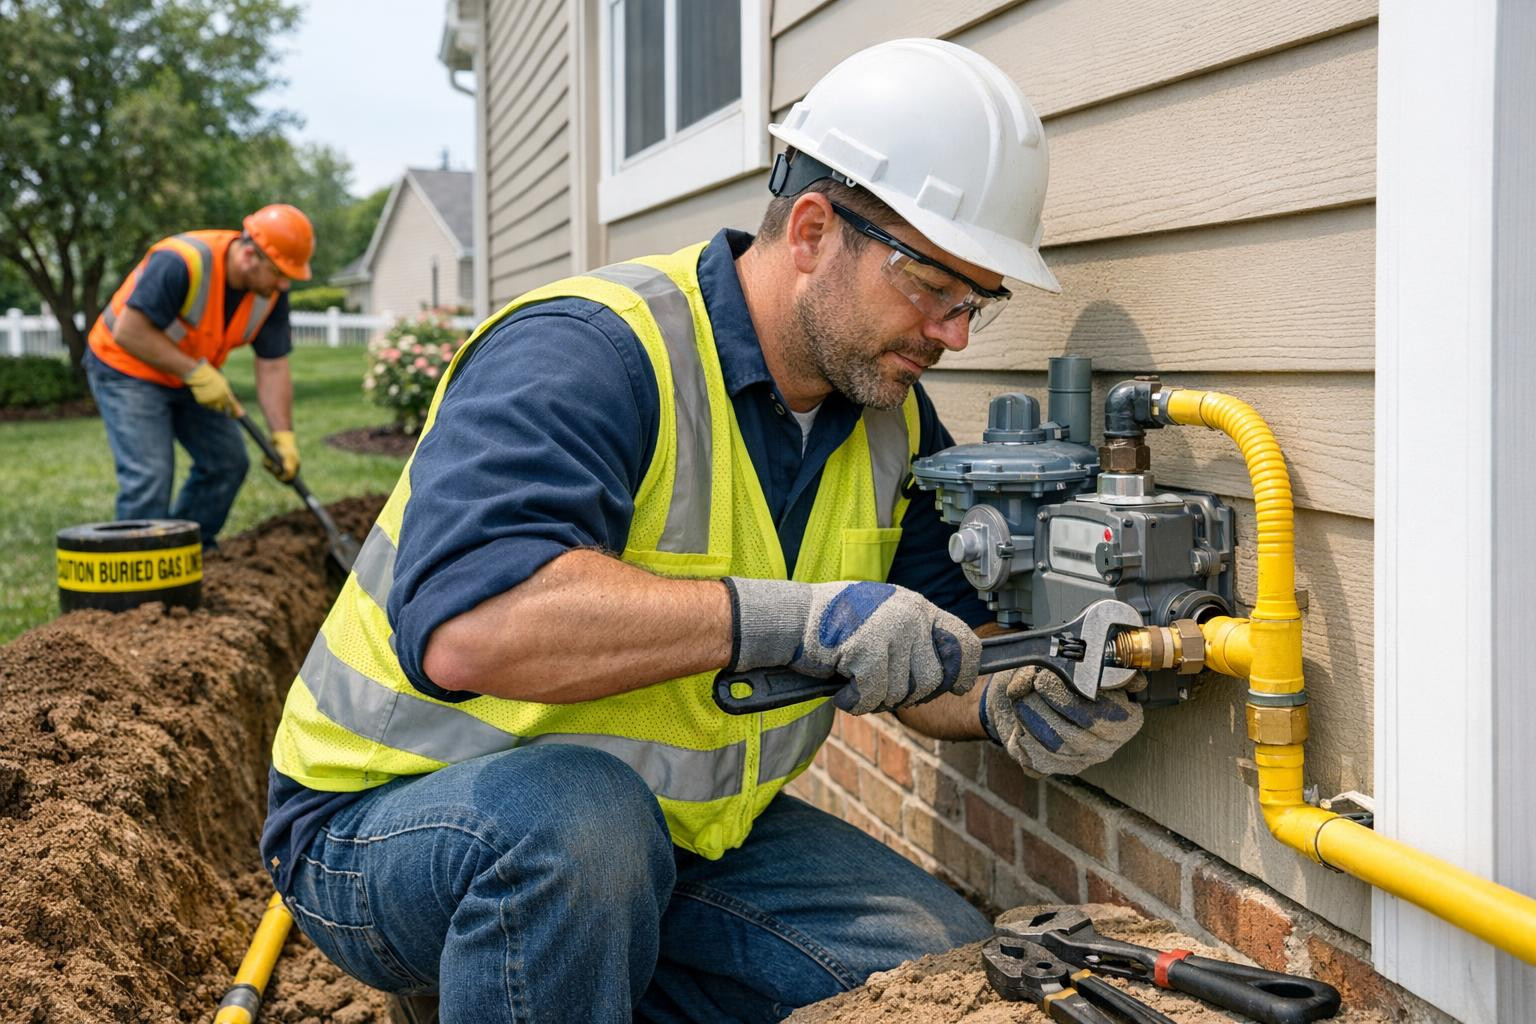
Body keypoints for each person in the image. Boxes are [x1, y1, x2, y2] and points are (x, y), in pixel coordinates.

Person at [262, 39, 1143, 1022]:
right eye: (932, 289)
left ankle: (558, 974)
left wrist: (1007, 694)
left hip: (672, 841)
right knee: (575, 831)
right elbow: (474, 629)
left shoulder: (889, 420)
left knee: (930, 971)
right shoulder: (589, 353)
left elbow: (933, 642)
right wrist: (798, 620)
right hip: (389, 821)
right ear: (813, 230)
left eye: (976, 302)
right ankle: (494, 966)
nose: (956, 334)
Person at [84, 203, 315, 545]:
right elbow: (129, 331)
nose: (284, 284)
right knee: (150, 477)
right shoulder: (181, 261)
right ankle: (136, 566)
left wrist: (283, 435)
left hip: (189, 374)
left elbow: (273, 365)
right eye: (279, 272)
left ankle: (188, 550)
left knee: (227, 463)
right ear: (249, 256)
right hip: (126, 368)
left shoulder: (270, 294)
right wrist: (196, 373)